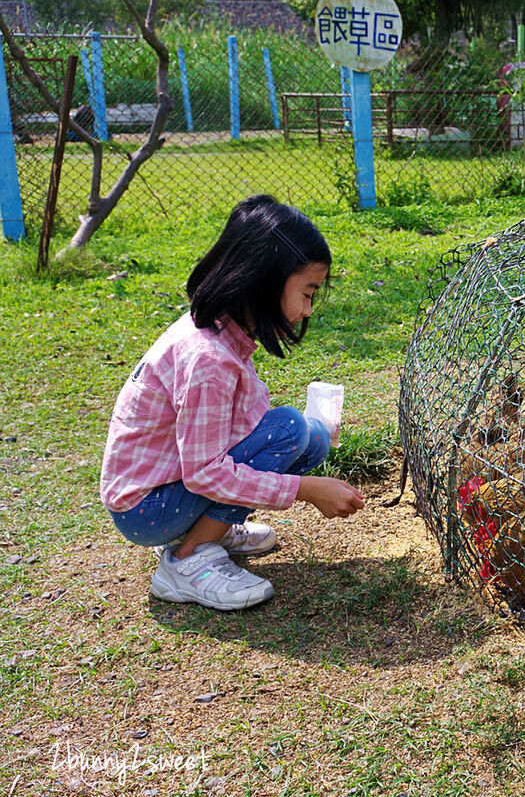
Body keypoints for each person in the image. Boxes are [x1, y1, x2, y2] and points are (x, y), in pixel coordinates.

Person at [100, 195, 365, 611]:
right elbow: (206, 473)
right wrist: (306, 489)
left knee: (306, 436)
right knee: (290, 431)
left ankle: (212, 530)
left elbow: (240, 426)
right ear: (264, 280)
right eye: (307, 292)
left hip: (170, 489)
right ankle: (185, 561)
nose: (308, 310)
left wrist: (314, 438)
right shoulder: (208, 361)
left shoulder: (226, 331)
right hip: (148, 508)